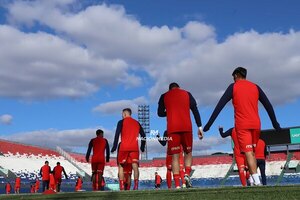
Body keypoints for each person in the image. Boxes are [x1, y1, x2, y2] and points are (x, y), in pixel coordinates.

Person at [204, 67, 281, 186]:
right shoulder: (255, 86)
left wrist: (209, 124)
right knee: (252, 152)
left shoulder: (233, 87)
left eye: (233, 77)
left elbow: (220, 106)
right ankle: (252, 179)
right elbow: (268, 106)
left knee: (248, 152)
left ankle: (256, 181)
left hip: (242, 125)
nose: (233, 79)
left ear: (236, 75)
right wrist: (275, 123)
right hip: (256, 124)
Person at [157, 82, 203, 188]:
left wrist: (169, 111)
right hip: (187, 127)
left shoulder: (164, 96)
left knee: (175, 156)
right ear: (179, 87)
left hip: (172, 128)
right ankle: (186, 174)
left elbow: (159, 113)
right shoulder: (187, 94)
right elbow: (195, 110)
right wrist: (199, 126)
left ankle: (177, 184)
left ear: (169, 89)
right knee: (188, 152)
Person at [111, 108, 146, 190]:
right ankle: (136, 185)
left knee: (121, 167)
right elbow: (143, 135)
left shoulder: (121, 122)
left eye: (122, 114)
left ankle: (122, 186)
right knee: (135, 167)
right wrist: (142, 146)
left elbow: (117, 135)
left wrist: (114, 147)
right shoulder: (137, 123)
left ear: (124, 114)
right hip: (134, 148)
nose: (121, 115)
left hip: (124, 147)